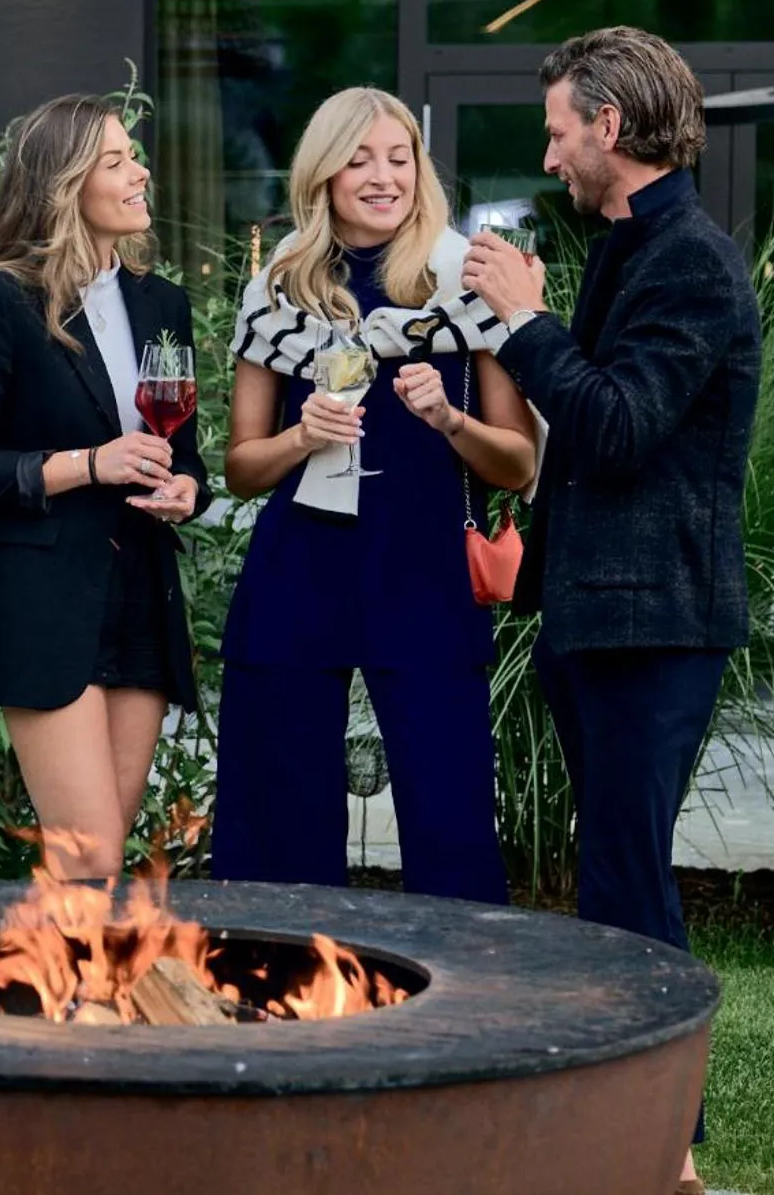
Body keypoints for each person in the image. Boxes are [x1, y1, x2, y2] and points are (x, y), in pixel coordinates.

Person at [468, 26, 760, 1195]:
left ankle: (662, 1151)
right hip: (595, 614)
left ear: (611, 126)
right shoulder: (622, 252)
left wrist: (525, 322)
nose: (547, 156)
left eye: (554, 131)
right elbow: (584, 439)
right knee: (611, 880)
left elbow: (619, 426)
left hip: (656, 622)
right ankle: (643, 1140)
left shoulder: (688, 257)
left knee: (627, 883)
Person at [209, 87, 534, 904]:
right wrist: (300, 434)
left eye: (400, 158)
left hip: (423, 568)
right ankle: (276, 994)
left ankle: (462, 1010)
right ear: (323, 172)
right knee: (276, 819)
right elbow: (240, 468)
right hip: (299, 565)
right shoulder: (279, 285)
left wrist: (448, 418)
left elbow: (519, 462)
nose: (383, 176)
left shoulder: (466, 277)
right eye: (360, 159)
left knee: (449, 814)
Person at [0, 94, 212, 881]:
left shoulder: (163, 304)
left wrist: (186, 487)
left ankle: (81, 998)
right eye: (116, 161)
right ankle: (74, 1002)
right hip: (46, 603)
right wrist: (91, 463)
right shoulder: (2, 298)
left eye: (134, 157)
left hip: (141, 595)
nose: (140, 171)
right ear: (65, 184)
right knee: (86, 859)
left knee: (102, 861)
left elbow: (183, 454)